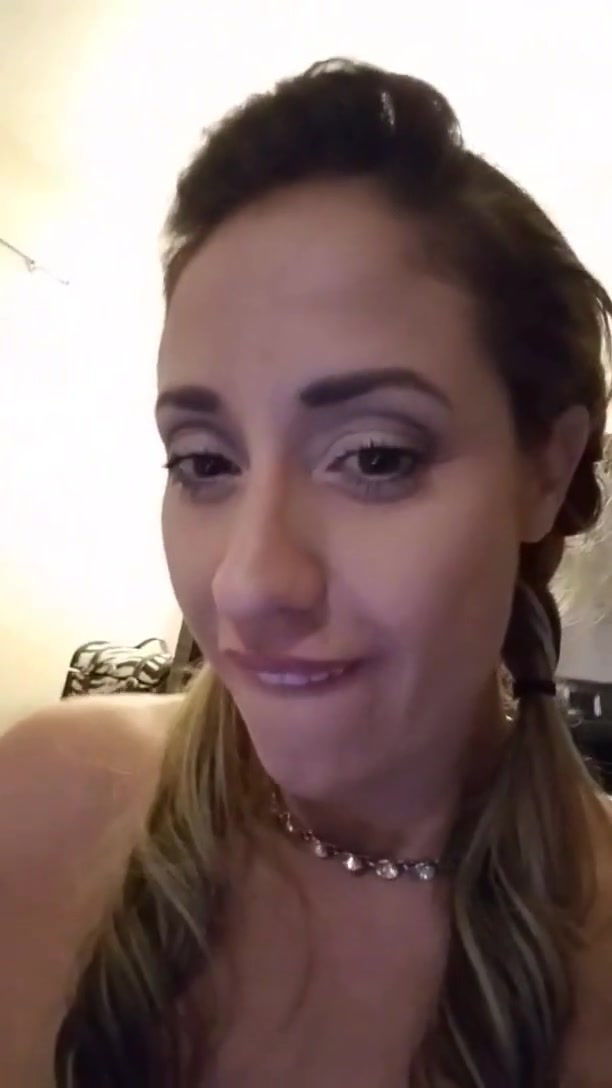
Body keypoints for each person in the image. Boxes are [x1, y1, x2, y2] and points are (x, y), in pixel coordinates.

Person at [1, 58, 612, 1088]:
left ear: (546, 472)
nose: (246, 583)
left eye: (374, 456)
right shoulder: (42, 800)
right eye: (204, 463)